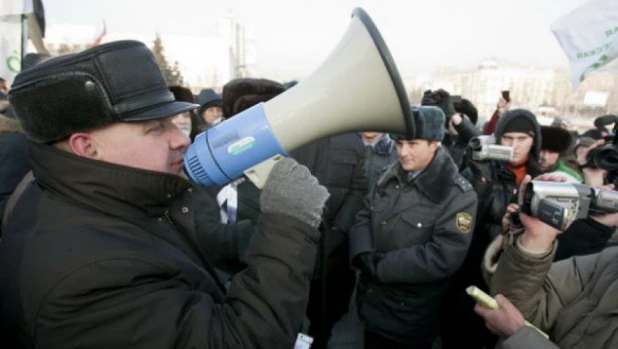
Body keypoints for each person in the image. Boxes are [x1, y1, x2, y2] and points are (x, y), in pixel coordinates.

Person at [0, 40, 330, 349]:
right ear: (86, 146)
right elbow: (233, 341)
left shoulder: (70, 189)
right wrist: (288, 223)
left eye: (173, 121)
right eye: (155, 128)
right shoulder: (91, 279)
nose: (180, 139)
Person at [350, 106, 477, 349]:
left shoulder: (458, 195)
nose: (402, 152)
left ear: (434, 143)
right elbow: (365, 214)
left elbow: (444, 255)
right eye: (399, 144)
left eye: (412, 143)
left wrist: (381, 266)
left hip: (408, 316)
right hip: (371, 304)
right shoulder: (390, 174)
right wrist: (362, 253)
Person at [474, 173, 618, 349]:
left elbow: (515, 325)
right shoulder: (610, 262)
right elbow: (512, 305)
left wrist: (520, 337)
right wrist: (537, 237)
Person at [443, 108, 542, 349]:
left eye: (522, 139)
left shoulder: (543, 180)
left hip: (516, 279)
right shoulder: (480, 170)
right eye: (508, 138)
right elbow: (460, 221)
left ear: (534, 141)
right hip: (472, 274)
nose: (515, 146)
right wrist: (480, 178)